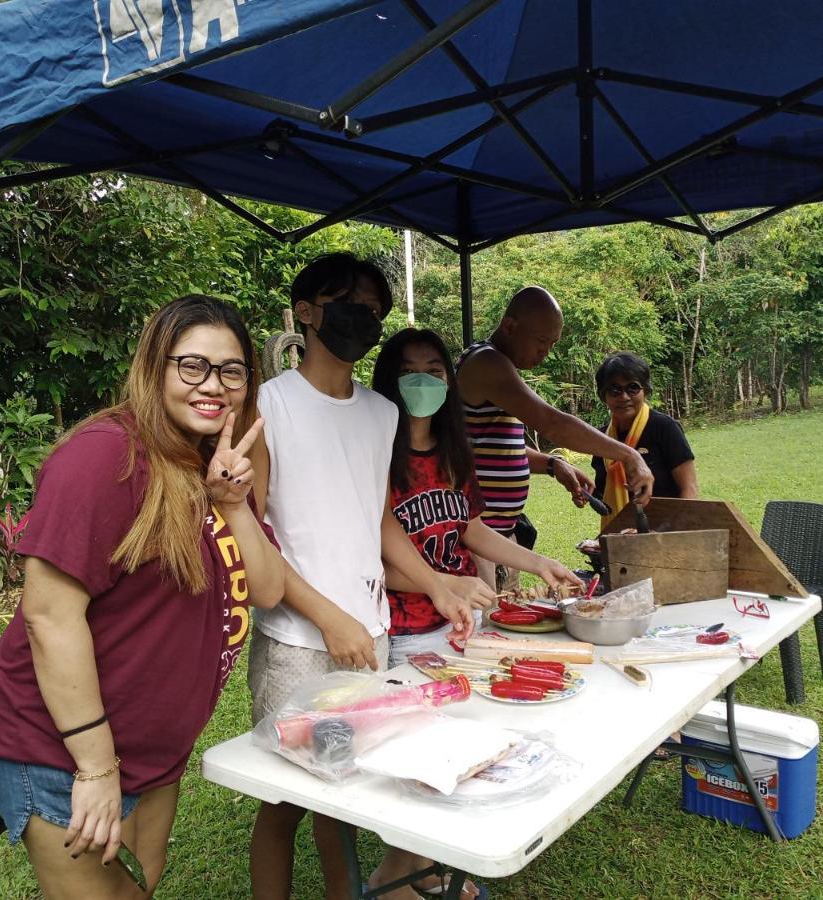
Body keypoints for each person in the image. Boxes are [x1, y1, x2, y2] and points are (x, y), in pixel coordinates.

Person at [0, 295, 284, 898]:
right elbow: (48, 616)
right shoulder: (105, 456)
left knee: (140, 887)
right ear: (154, 368)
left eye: (232, 370)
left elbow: (266, 589)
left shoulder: (211, 463)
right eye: (192, 366)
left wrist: (233, 503)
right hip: (60, 745)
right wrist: (94, 766)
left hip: (152, 747)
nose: (212, 385)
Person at [246, 255, 494, 900]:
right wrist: (330, 619)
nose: (363, 316)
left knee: (348, 788)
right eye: (348, 301)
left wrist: (438, 585)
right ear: (305, 311)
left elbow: (379, 516)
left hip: (372, 634)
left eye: (373, 308)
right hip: (298, 642)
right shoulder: (266, 407)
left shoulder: (380, 413)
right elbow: (257, 541)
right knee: (285, 797)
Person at [372, 327, 582, 667]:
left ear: (448, 382)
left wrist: (539, 563)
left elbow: (472, 528)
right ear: (388, 381)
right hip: (407, 633)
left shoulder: (453, 453)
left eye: (433, 371)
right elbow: (377, 564)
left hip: (464, 621)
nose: (422, 382)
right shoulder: (375, 456)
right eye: (408, 373)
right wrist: (449, 584)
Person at [455, 286, 655, 587]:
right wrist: (629, 454)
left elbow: (496, 447)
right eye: (540, 341)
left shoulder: (501, 366)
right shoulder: (487, 363)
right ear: (510, 326)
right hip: (478, 543)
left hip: (500, 540)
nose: (545, 352)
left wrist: (552, 464)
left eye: (552, 344)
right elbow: (552, 423)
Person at [590, 352, 699, 528]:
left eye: (632, 388)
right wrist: (587, 494)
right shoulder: (602, 439)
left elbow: (690, 488)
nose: (624, 397)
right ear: (604, 396)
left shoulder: (664, 427)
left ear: (645, 390)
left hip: (667, 529)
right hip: (620, 534)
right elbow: (604, 497)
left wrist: (673, 531)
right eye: (615, 390)